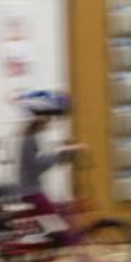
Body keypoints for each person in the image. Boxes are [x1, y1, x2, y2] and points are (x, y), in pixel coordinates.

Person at [15, 90, 85, 241]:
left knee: (62, 212)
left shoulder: (30, 136)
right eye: (49, 117)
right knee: (65, 233)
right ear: (40, 116)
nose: (50, 122)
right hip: (31, 192)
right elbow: (35, 167)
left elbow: (41, 158)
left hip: (32, 190)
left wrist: (64, 150)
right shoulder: (30, 138)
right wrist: (61, 154)